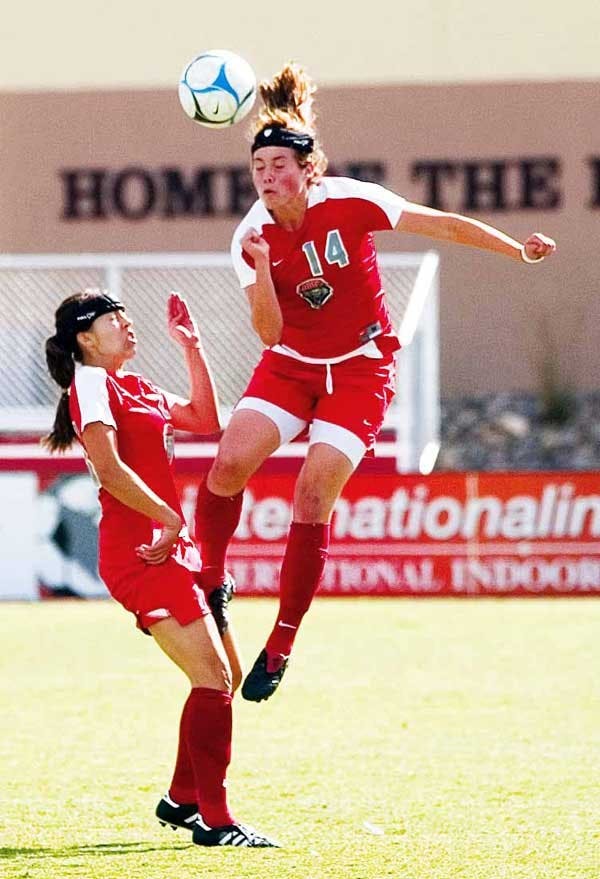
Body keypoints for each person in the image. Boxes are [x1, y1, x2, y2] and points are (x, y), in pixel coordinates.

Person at [193, 62, 557, 704]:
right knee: (228, 462)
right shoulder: (249, 237)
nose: (268, 177)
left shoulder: (352, 200)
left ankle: (281, 641)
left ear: (309, 170)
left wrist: (516, 250)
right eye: (259, 168)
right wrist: (262, 272)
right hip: (293, 364)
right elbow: (271, 336)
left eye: (280, 165)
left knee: (312, 495)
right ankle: (213, 576)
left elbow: (443, 224)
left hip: (360, 370)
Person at [43, 288, 279, 847]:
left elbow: (205, 418)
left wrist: (192, 349)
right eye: (112, 319)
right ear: (84, 339)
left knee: (229, 674)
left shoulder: (134, 385)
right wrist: (170, 519)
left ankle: (181, 799)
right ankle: (217, 824)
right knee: (214, 679)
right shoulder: (92, 383)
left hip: (169, 541)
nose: (127, 325)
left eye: (126, 315)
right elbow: (108, 468)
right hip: (140, 549)